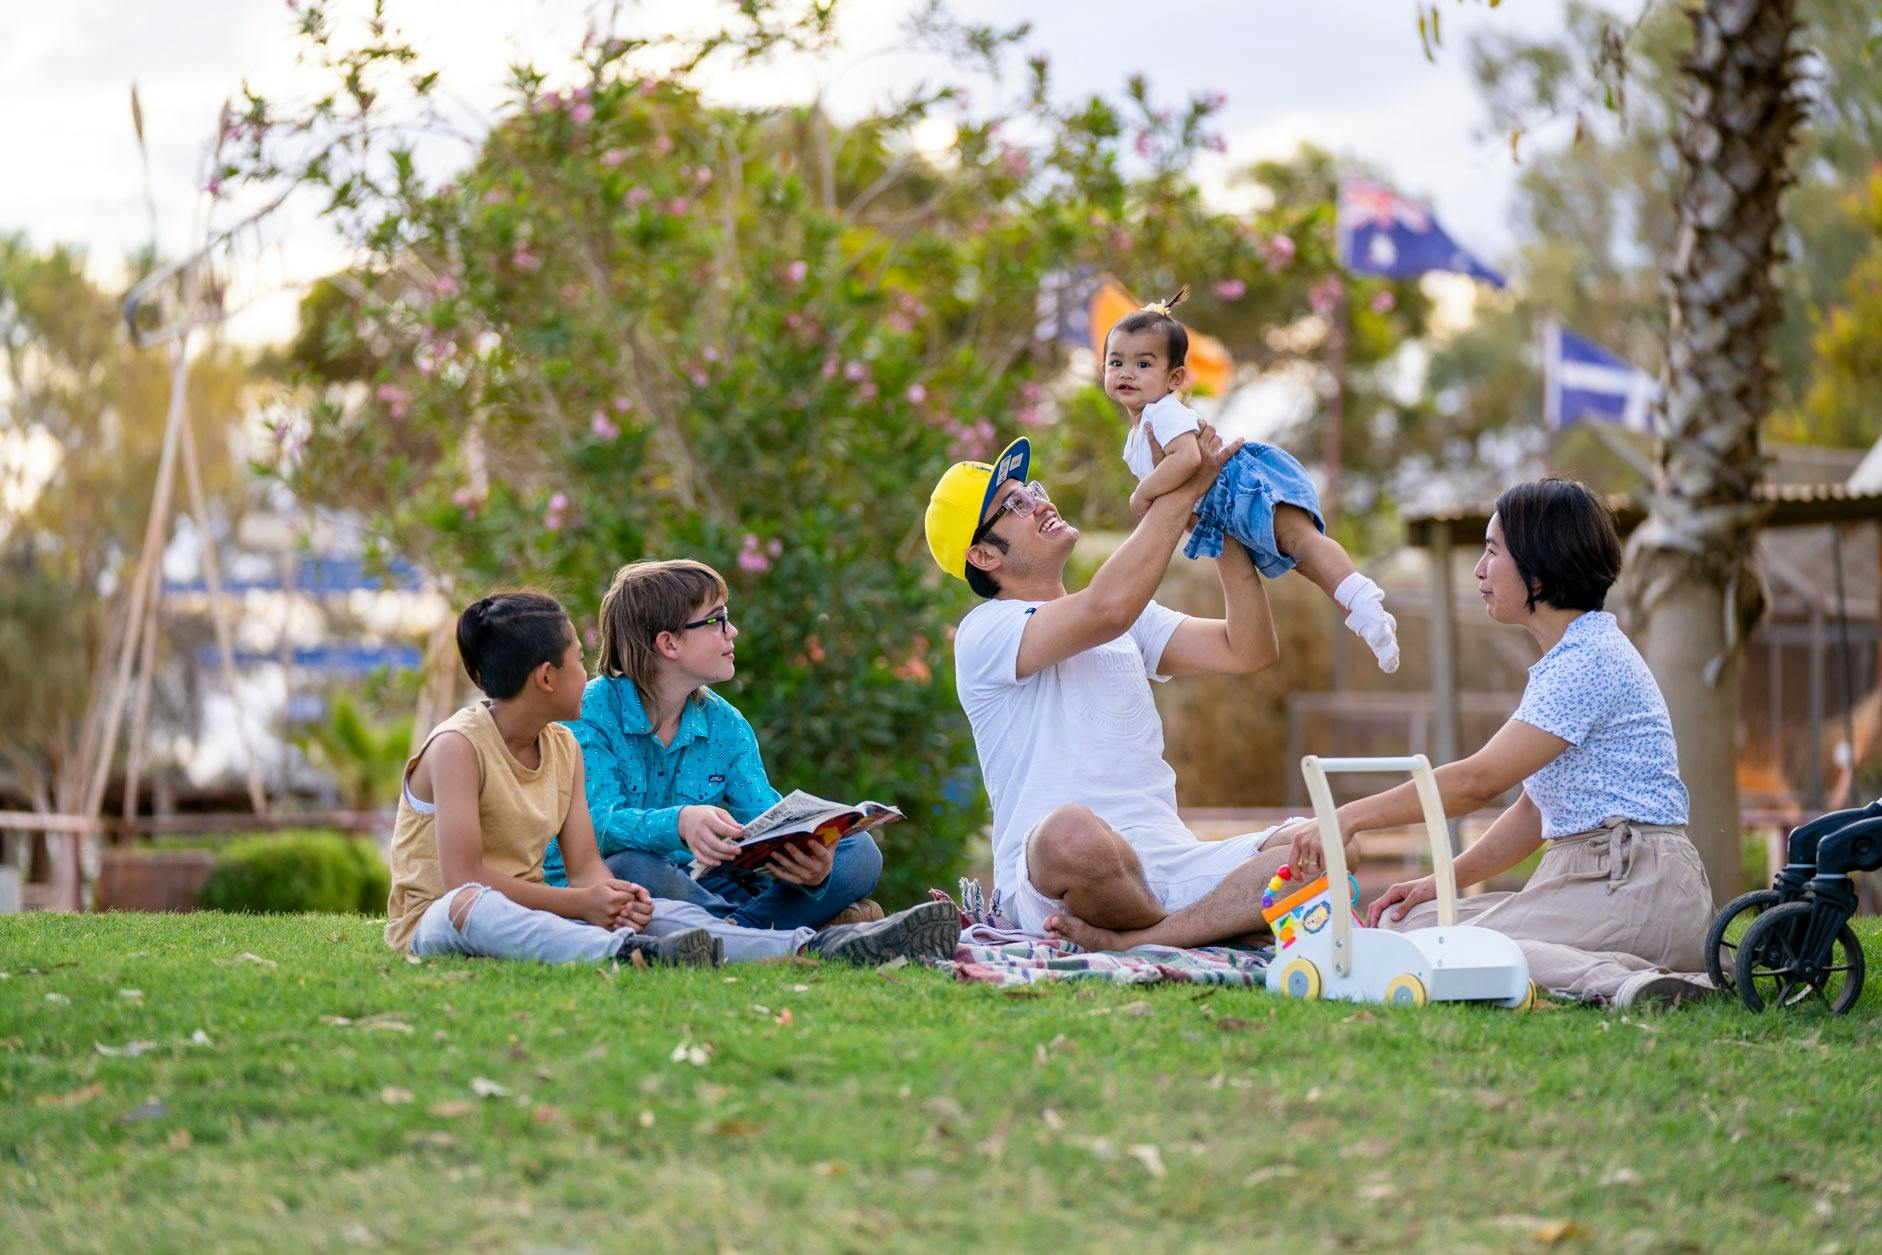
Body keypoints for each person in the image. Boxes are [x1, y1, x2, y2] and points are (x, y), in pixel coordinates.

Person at [1273, 479, 1713, 1008]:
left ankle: (1634, 984)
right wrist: (1440, 881)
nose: (1480, 570)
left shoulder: (1587, 660)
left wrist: (1346, 817)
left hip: (1637, 887)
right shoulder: (1571, 656)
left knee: (1440, 948)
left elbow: (1478, 781)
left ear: (1539, 570)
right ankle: (1629, 974)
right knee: (1410, 924)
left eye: (1492, 551)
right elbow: (1535, 810)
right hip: (1601, 879)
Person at [386, 591, 959, 966]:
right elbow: (463, 880)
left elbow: (586, 866)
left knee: (667, 912)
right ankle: (625, 952)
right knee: (486, 905)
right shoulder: (458, 747)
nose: (588, 670)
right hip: (446, 915)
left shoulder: (561, 746)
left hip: (558, 905)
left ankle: (818, 945)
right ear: (545, 677)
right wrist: (589, 900)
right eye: (578, 659)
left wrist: (613, 899)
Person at [925, 428, 1295, 949]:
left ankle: (1146, 937)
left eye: (1033, 490)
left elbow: (1248, 649)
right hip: (1057, 878)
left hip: (1167, 863)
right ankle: (1214, 923)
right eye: (1015, 505)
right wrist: (1183, 488)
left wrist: (1220, 528)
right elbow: (1106, 609)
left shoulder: (1129, 620)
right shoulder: (985, 631)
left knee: (1319, 848)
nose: (1040, 503)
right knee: (1071, 834)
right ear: (984, 556)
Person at [542, 559, 883, 931]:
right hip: (618, 883)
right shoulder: (588, 712)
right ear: (669, 643)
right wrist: (679, 822)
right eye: (716, 619)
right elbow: (597, 827)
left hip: (703, 886)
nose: (732, 631)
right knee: (632, 866)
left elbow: (764, 823)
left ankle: (735, 930)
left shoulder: (727, 725)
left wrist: (811, 867)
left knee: (860, 853)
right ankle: (782, 928)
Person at [1106, 286, 1398, 673]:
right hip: (1223, 508)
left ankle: (1363, 599)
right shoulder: (1137, 433)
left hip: (1239, 485)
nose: (1126, 372)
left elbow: (1189, 458)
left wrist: (1144, 492)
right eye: (1116, 362)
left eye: (1143, 364)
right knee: (1300, 559)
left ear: (1174, 378)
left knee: (1301, 541)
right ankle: (1366, 619)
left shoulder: (1162, 413)